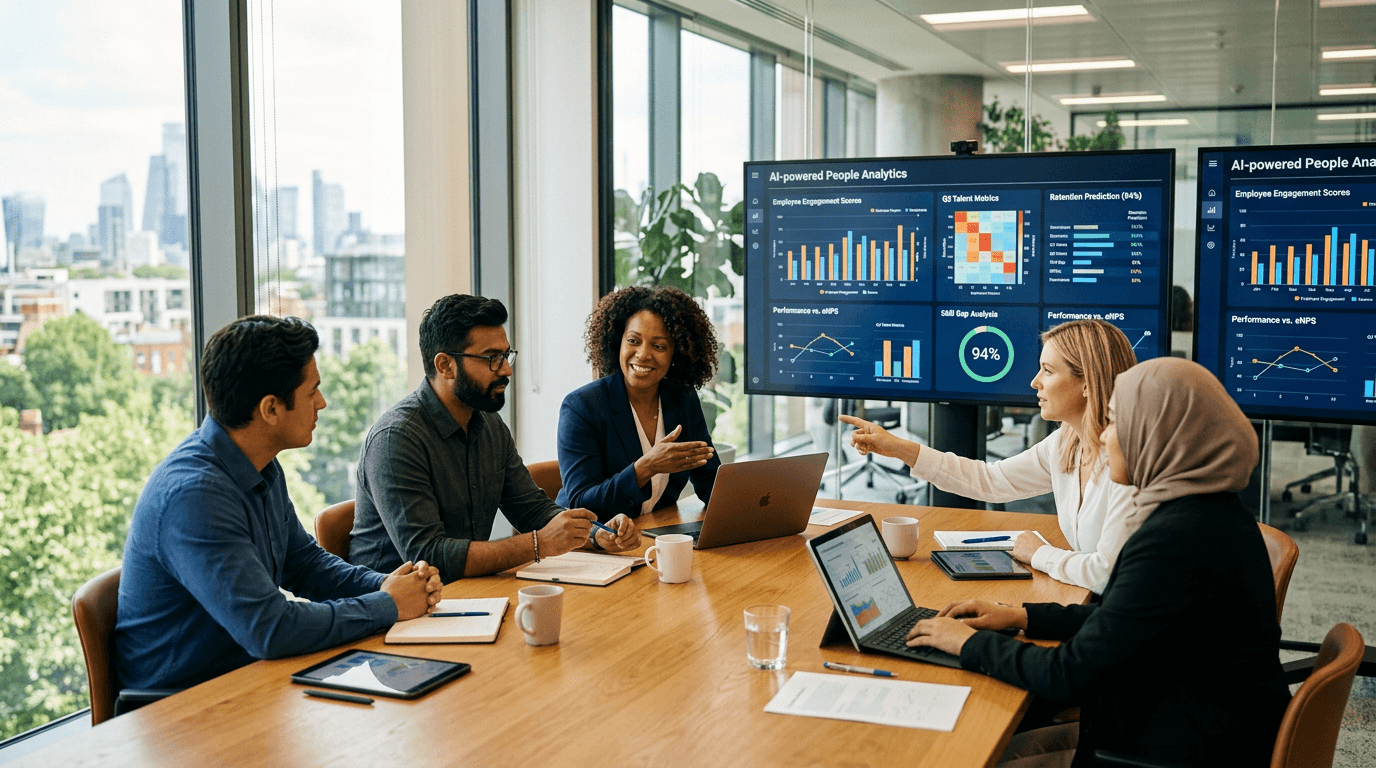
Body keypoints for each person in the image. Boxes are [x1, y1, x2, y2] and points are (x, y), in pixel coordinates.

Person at [906, 357, 1290, 768]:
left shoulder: (1175, 540)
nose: (1104, 438)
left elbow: (1066, 674)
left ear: (1157, 433)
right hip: (1198, 725)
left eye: (1113, 422)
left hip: (1167, 749)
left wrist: (966, 643)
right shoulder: (1211, 512)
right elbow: (1121, 620)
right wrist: (1021, 616)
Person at [114, 316, 443, 692]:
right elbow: (270, 629)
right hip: (180, 711)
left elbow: (304, 565)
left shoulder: (261, 464)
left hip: (247, 682)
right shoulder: (194, 497)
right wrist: (388, 605)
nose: (322, 402)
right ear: (271, 409)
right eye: (312, 391)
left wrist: (387, 584)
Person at [349, 294, 640, 584]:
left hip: (460, 594)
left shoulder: (488, 423)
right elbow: (429, 554)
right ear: (445, 365)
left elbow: (532, 509)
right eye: (492, 358)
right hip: (391, 611)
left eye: (506, 355)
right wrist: (538, 544)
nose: (506, 369)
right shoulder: (396, 439)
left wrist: (596, 534)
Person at [841, 319, 1136, 593]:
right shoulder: (1065, 442)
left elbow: (1106, 573)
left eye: (1048, 370)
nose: (1035, 382)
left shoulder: (1129, 459)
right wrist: (898, 448)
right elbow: (990, 480)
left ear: (1087, 383)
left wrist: (1038, 553)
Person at [557, 285, 720, 520]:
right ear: (618, 342)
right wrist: (647, 466)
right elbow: (580, 503)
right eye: (633, 340)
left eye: (659, 346)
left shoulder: (682, 398)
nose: (643, 354)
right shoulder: (582, 406)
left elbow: (710, 480)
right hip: (588, 543)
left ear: (677, 353)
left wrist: (753, 512)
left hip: (649, 533)